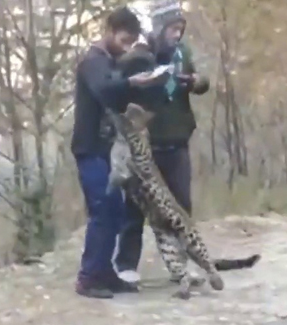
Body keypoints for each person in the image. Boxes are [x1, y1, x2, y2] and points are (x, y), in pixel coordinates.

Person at [113, 0, 210, 285]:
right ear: (159, 27)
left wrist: (195, 82)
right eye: (172, 29)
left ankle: (182, 265)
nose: (177, 34)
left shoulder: (182, 53)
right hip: (146, 145)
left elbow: (202, 80)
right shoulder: (139, 54)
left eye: (180, 28)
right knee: (136, 207)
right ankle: (126, 265)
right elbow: (121, 85)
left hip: (177, 139)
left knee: (180, 207)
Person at [71, 6, 165, 299]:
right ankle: (88, 277)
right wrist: (131, 82)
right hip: (90, 148)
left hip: (107, 148)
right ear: (110, 32)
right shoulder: (93, 61)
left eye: (131, 42)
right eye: (124, 40)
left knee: (115, 209)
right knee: (102, 209)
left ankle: (104, 272)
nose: (127, 47)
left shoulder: (112, 62)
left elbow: (121, 96)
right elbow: (105, 89)